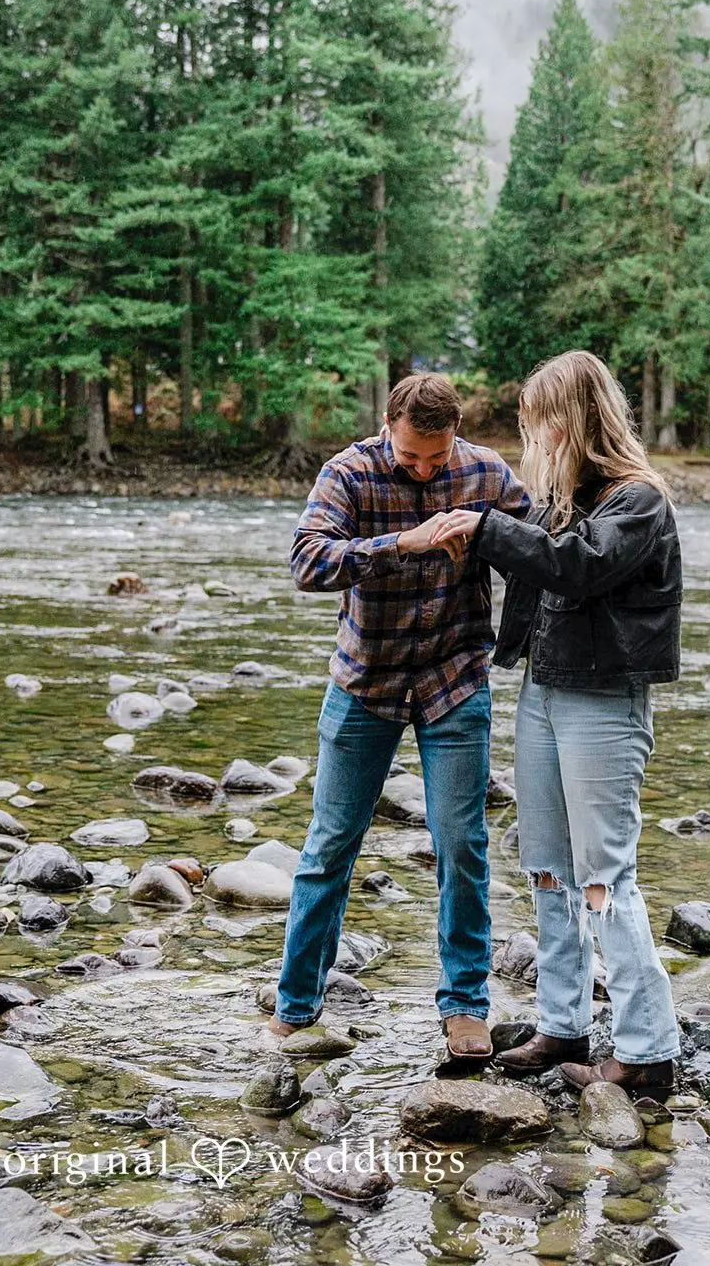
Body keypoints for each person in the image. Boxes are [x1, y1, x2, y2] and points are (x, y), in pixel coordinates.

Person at [430, 350, 681, 1096]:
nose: (531, 435)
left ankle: (646, 1047)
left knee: (604, 876)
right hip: (543, 693)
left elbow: (575, 567)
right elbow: (539, 557)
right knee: (545, 866)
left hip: (603, 703)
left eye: (538, 421)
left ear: (572, 419)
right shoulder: (563, 501)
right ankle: (562, 1024)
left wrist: (484, 529)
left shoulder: (636, 502)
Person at [269, 373, 530, 1065]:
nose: (424, 468)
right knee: (329, 847)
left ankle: (465, 1006)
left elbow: (537, 548)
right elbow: (305, 562)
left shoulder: (484, 470)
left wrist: (490, 539)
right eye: (411, 457)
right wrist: (404, 544)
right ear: (387, 424)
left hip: (454, 678)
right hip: (365, 683)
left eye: (435, 460)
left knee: (462, 844)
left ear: (455, 437)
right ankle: (295, 1007)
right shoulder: (347, 474)